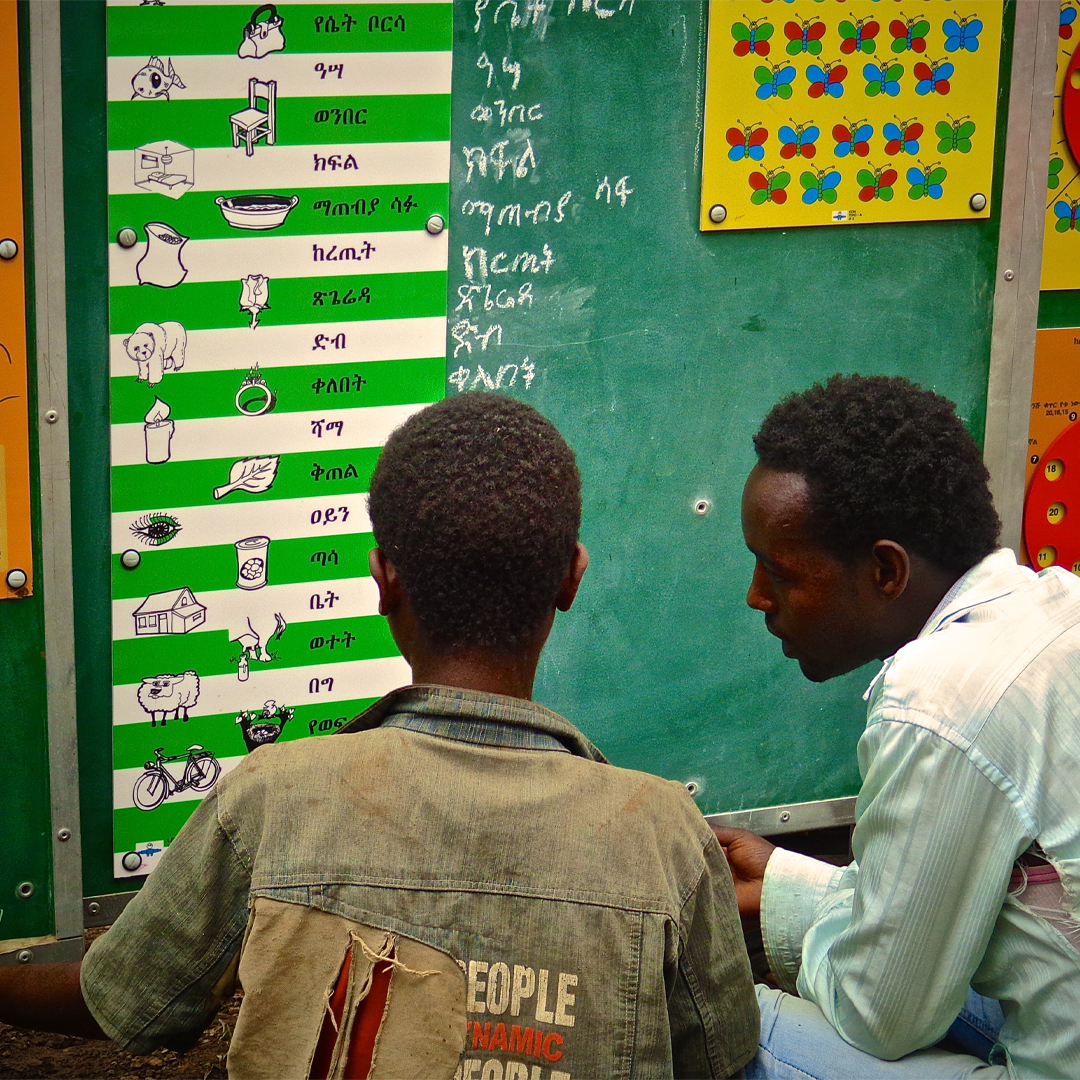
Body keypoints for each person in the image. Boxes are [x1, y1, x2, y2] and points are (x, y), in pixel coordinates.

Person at [0, 393, 758, 1079]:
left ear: (382, 579)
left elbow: (127, 1000)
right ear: (572, 577)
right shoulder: (664, 834)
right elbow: (723, 1057)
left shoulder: (272, 798)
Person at [717, 373, 1080, 1080]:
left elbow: (881, 1014)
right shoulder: (1053, 606)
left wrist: (802, 922)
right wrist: (786, 882)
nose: (757, 597)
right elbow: (936, 921)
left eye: (779, 571)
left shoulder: (940, 699)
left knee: (722, 1015)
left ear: (886, 569)